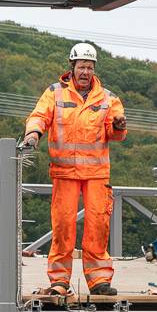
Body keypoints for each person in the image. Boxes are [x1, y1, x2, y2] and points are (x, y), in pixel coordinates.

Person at [21, 42, 128, 296]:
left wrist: (119, 126)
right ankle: (59, 281)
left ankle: (99, 280)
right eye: (81, 67)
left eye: (90, 68)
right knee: (63, 226)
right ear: (72, 67)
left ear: (94, 70)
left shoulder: (108, 98)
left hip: (96, 175)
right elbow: (39, 116)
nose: (85, 72)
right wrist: (33, 134)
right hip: (64, 172)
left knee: (98, 225)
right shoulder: (55, 93)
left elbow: (116, 134)